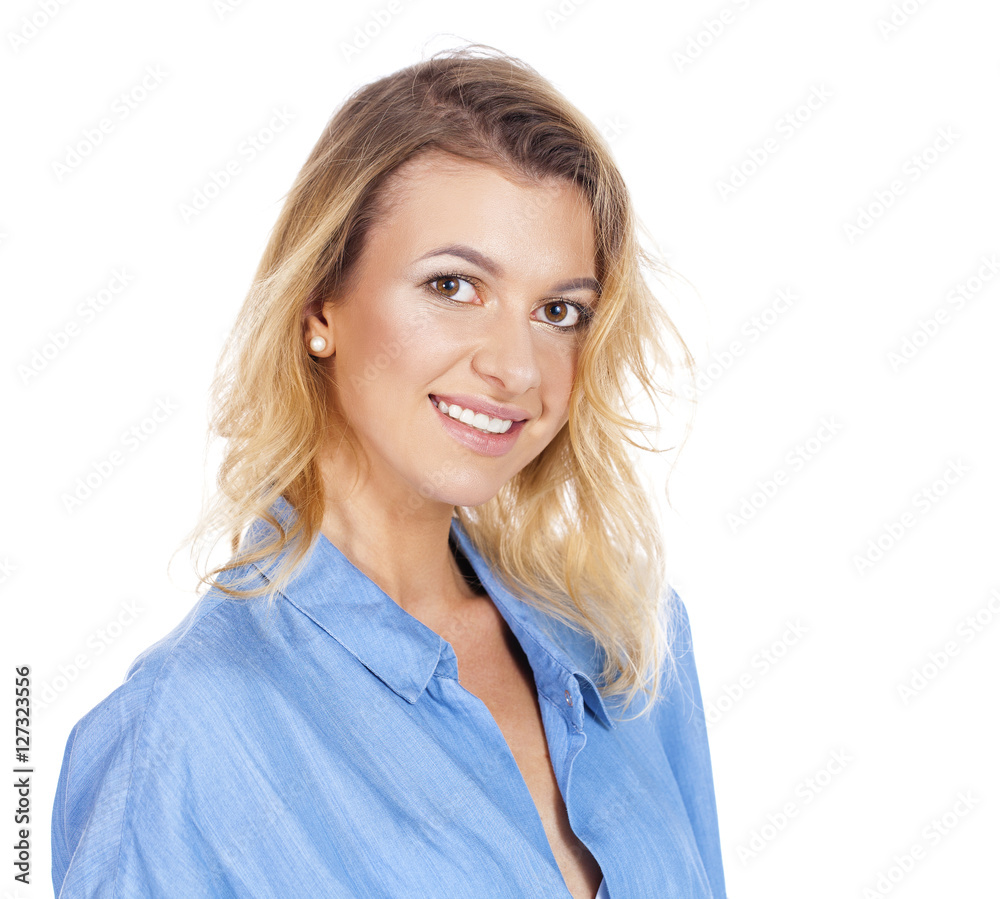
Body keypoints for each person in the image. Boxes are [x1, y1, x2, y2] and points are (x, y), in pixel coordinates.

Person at [51, 44, 726, 899]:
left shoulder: (628, 645)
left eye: (559, 311)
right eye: (453, 286)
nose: (517, 367)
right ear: (319, 307)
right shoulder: (186, 732)